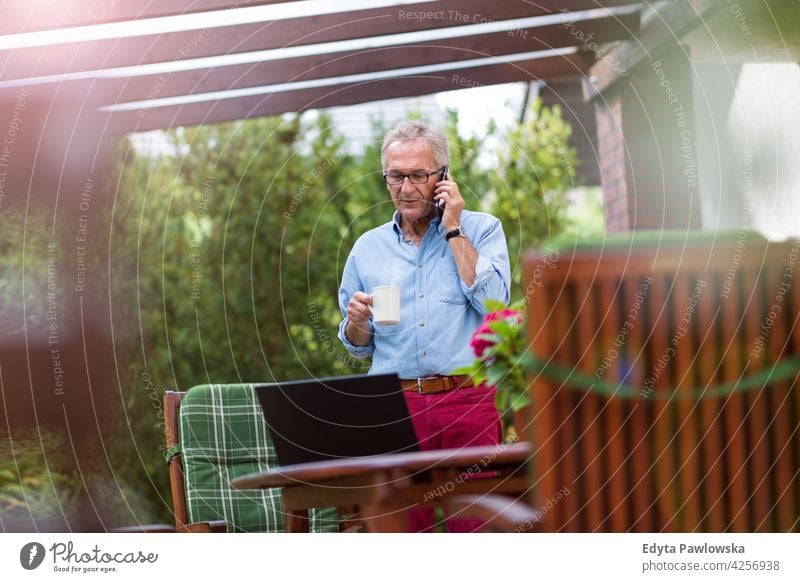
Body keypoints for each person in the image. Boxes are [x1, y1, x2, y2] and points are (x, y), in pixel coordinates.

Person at [337, 119, 511, 532]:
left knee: (478, 532)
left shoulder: (483, 230)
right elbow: (358, 345)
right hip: (393, 409)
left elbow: (494, 304)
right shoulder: (367, 248)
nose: (406, 187)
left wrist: (453, 227)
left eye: (418, 175)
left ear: (443, 177)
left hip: (466, 399)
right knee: (398, 536)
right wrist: (357, 321)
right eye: (396, 176)